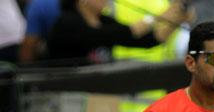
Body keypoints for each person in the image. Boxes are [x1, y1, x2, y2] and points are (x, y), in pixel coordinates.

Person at [47, 0, 190, 64]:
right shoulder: (67, 22)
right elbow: (121, 33)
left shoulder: (104, 20)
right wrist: (157, 17)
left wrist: (177, 20)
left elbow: (148, 40)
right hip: (64, 94)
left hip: (96, 94)